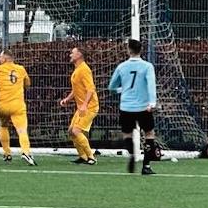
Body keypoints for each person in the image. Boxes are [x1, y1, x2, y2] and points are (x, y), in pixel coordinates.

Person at [108, 38, 158, 175]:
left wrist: (122, 89)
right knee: (149, 134)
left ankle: (131, 154)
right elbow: (151, 85)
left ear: (128, 50)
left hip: (126, 107)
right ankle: (146, 166)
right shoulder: (147, 66)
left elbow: (111, 87)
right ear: (140, 50)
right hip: (143, 107)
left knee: (127, 134)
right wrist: (152, 103)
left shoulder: (121, 67)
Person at [59, 46, 99, 165]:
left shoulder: (84, 69)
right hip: (82, 107)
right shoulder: (78, 69)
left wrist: (85, 105)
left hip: (90, 107)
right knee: (71, 131)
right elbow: (76, 89)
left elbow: (91, 89)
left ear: (79, 55)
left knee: (76, 131)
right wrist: (67, 99)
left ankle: (91, 157)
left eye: (72, 53)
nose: (70, 55)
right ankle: (83, 156)